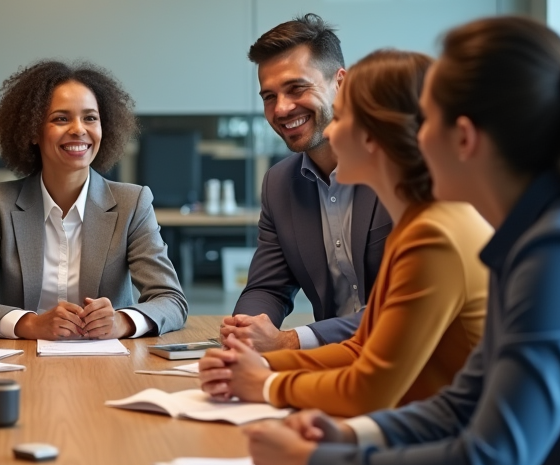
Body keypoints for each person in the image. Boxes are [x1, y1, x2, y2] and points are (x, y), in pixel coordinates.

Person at [243, 16, 560, 465]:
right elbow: (464, 401)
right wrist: (347, 435)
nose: (409, 139)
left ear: (463, 138)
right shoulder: (537, 239)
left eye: (424, 122)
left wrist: (320, 463)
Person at [198, 50, 490, 416]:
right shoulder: (418, 224)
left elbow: (369, 388)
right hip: (417, 418)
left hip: (448, 430)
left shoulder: (435, 233)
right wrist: (258, 365)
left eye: (345, 117)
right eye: (269, 96)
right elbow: (362, 346)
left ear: (375, 135)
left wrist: (266, 383)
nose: (333, 130)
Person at [0, 60, 187, 340]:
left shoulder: (132, 203)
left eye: (90, 118)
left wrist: (122, 321)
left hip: (109, 365)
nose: (78, 129)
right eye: (61, 118)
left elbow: (171, 300)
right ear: (33, 131)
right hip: (24, 362)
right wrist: (30, 324)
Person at [222, 15, 393, 352]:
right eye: (269, 96)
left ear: (341, 84)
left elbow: (405, 310)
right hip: (331, 362)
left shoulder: (398, 168)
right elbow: (268, 288)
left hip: (404, 363)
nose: (282, 108)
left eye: (296, 88)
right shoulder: (279, 183)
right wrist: (245, 334)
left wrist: (291, 340)